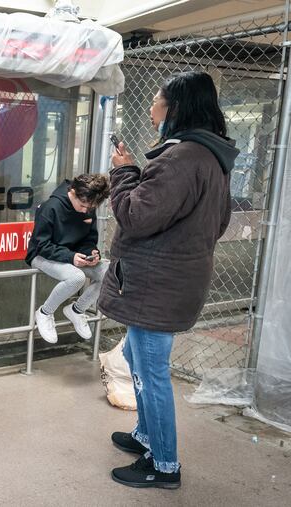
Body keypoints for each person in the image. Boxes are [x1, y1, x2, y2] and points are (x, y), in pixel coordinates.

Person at [99, 71, 236, 489]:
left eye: (157, 100)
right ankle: (146, 436)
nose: (152, 108)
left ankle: (165, 465)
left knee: (151, 373)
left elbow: (136, 216)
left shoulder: (182, 158)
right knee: (141, 364)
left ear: (174, 108)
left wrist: (123, 173)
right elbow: (216, 220)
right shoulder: (207, 157)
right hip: (168, 282)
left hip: (156, 286)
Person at [25, 174, 111, 343]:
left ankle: (77, 310)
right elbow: (41, 245)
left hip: (72, 256)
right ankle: (44, 313)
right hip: (42, 254)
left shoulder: (88, 206)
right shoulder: (50, 207)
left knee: (110, 273)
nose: (86, 210)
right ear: (73, 192)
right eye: (83, 205)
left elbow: (89, 239)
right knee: (76, 277)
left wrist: (92, 253)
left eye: (90, 207)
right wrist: (70, 257)